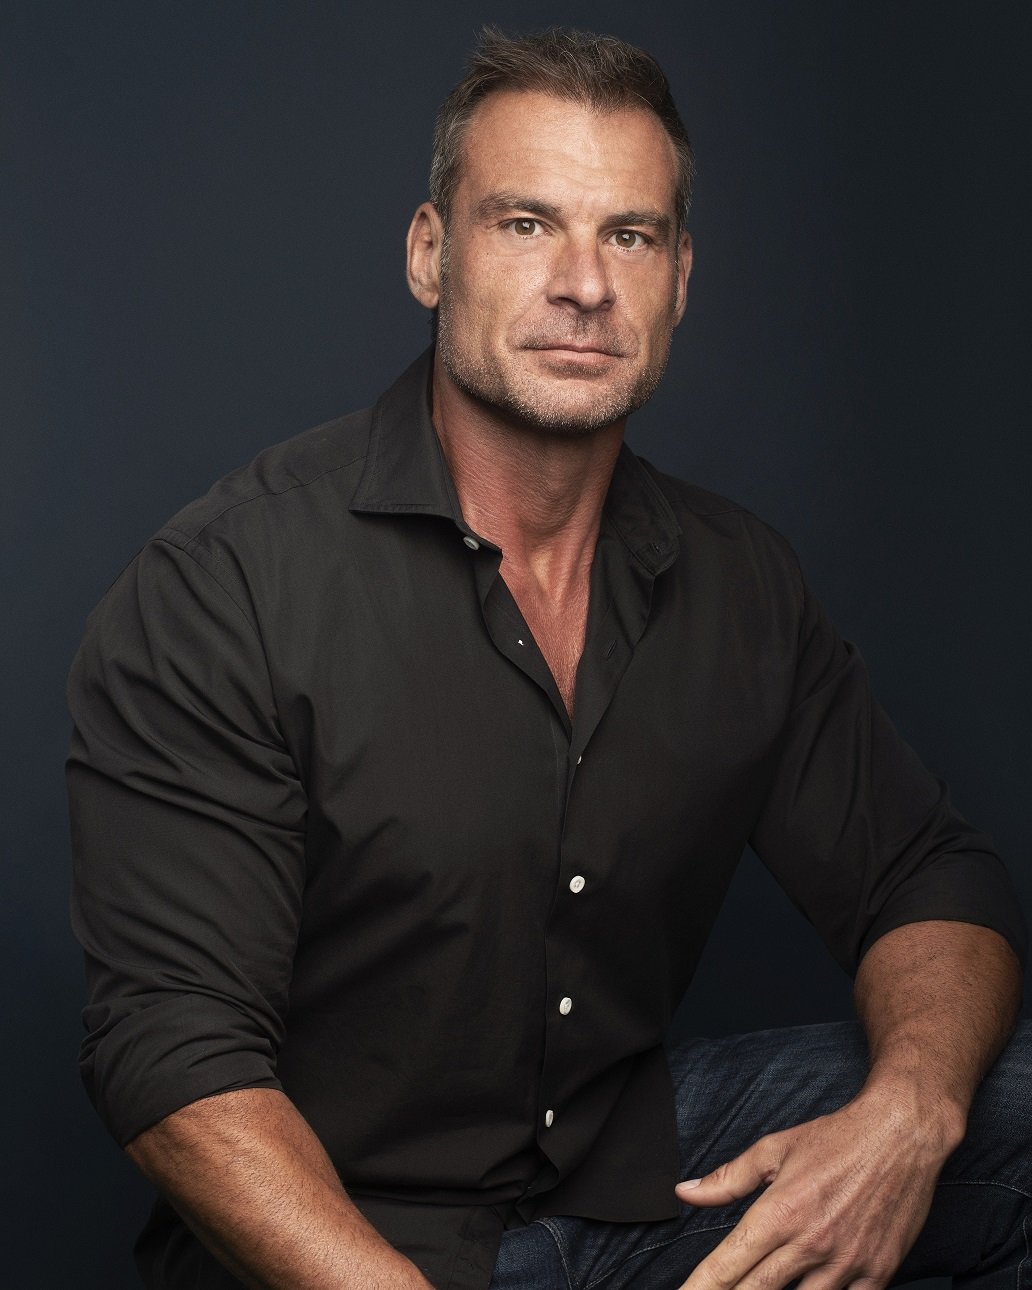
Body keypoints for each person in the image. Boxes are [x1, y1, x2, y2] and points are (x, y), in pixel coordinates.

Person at [67, 26, 1029, 1290]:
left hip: (639, 1195)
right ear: (430, 253)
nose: (584, 282)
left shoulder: (738, 580)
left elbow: (926, 875)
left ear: (680, 277)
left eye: (627, 235)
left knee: (1003, 1109)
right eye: (526, 224)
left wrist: (906, 1118)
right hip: (355, 1249)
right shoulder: (225, 586)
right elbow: (173, 1053)